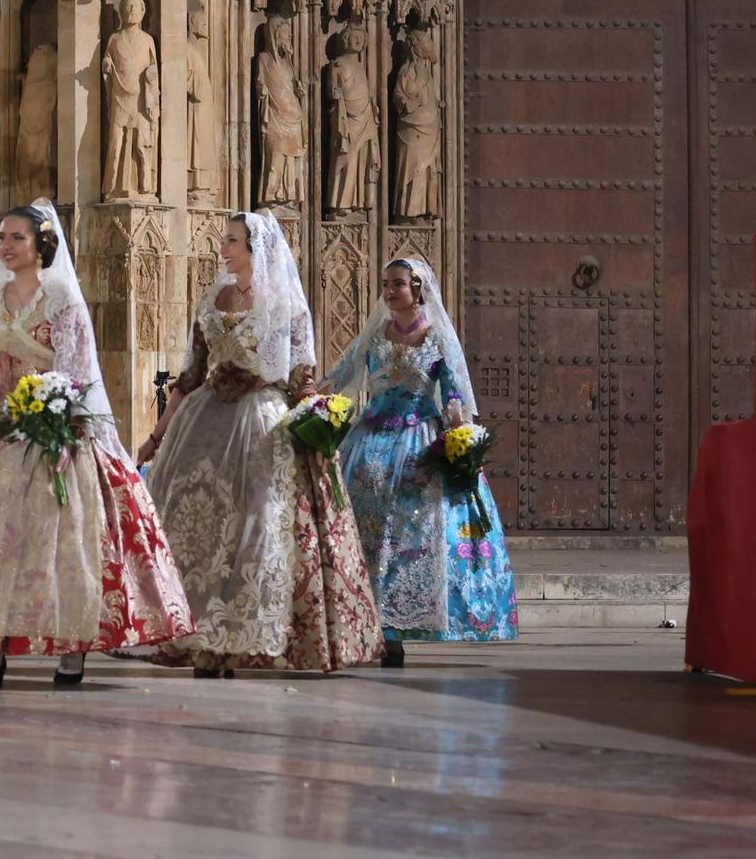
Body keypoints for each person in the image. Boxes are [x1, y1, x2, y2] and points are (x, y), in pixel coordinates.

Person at [0, 202, 191, 688]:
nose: (5, 247)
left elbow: (76, 371)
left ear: (41, 244)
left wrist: (59, 422)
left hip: (54, 426)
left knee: (63, 542)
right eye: (1, 238)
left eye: (15, 237)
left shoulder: (60, 296)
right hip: (0, 429)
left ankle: (71, 647)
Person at [137, 211, 380, 674]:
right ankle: (202, 637)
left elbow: (300, 377)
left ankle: (245, 637)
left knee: (256, 527)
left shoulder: (285, 304)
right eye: (224, 240)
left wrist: (319, 418)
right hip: (204, 423)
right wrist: (156, 436)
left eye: (231, 240)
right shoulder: (212, 296)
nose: (223, 248)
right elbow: (189, 375)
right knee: (199, 528)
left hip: (262, 424)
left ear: (255, 247)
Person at [326, 257, 517, 667]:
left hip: (416, 441)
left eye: (397, 284)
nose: (389, 292)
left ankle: (401, 625)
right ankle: (369, 625)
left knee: (414, 534)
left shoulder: (436, 339)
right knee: (364, 532)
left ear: (417, 289)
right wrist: (313, 393)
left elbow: (453, 395)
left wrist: (460, 436)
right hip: (370, 441)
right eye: (385, 284)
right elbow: (342, 375)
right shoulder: (376, 335)